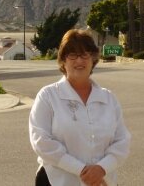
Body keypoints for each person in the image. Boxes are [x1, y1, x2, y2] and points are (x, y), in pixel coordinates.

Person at [29, 29, 131, 186]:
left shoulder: (108, 98)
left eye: (85, 55)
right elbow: (41, 141)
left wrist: (102, 169)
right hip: (57, 181)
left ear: (93, 59)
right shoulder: (48, 96)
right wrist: (82, 170)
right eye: (72, 55)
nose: (79, 61)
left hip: (102, 181)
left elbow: (122, 141)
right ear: (63, 60)